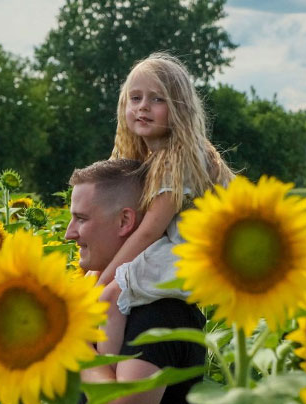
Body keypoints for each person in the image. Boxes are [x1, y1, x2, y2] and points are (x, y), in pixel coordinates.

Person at [95, 53, 234, 366]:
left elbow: (148, 230)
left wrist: (103, 279)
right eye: (135, 98)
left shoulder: (175, 159)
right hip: (174, 250)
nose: (143, 106)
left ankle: (103, 373)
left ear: (179, 109)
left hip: (185, 255)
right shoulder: (156, 155)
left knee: (107, 299)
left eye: (157, 99)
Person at [65, 159, 206, 403]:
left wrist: (69, 344)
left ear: (124, 222)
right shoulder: (99, 293)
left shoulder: (157, 312)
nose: (69, 233)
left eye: (81, 219)